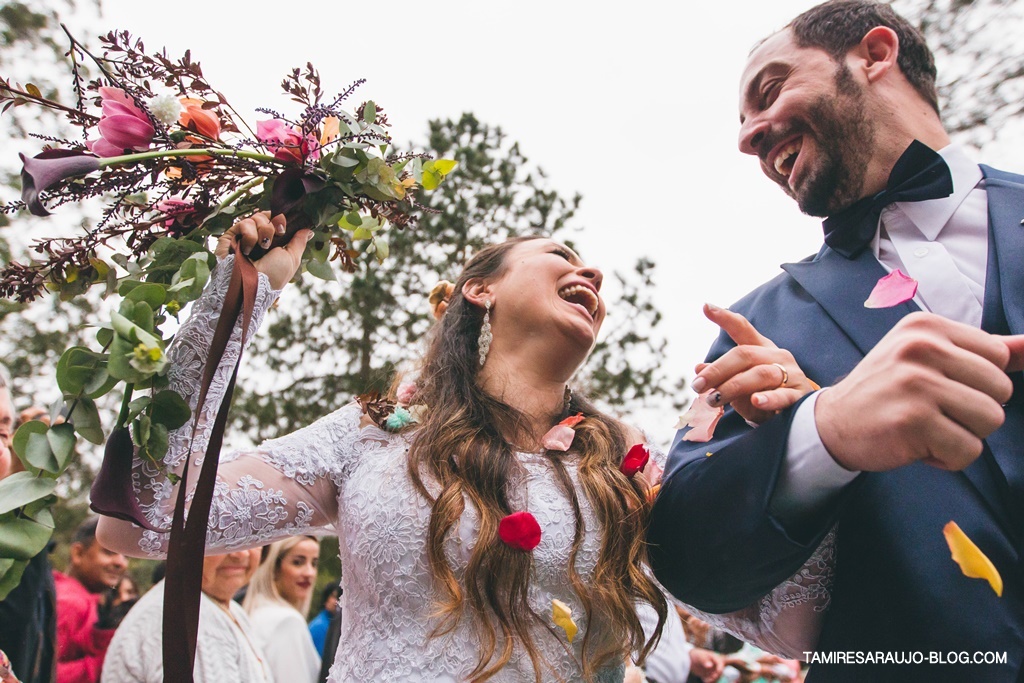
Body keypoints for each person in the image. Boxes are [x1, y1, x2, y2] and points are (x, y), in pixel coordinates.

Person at [97, 214, 823, 681]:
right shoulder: (372, 434)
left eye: (592, 268)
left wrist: (789, 445)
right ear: (480, 290)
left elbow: (789, 624)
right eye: (561, 254)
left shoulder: (625, 458)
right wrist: (235, 303)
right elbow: (141, 518)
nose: (594, 274)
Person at [648, 2, 1024, 681]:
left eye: (769, 91)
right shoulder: (755, 325)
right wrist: (822, 432)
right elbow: (687, 554)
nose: (748, 139)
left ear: (875, 55)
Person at [101, 548, 271, 682]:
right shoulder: (187, 615)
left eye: (251, 539)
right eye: (222, 538)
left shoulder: (224, 607)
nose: (240, 553)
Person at [53, 517, 131, 683]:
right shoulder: (69, 602)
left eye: (126, 556)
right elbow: (42, 673)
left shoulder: (91, 600)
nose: (121, 563)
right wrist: (107, 662)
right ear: (78, 553)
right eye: (109, 552)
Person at [243, 537, 321, 683]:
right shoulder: (287, 621)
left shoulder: (255, 612)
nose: (309, 572)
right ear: (274, 568)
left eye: (314, 563)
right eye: (298, 562)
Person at [308, 582, 340, 658]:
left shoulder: (331, 622)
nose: (336, 602)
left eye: (339, 598)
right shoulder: (320, 625)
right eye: (333, 596)